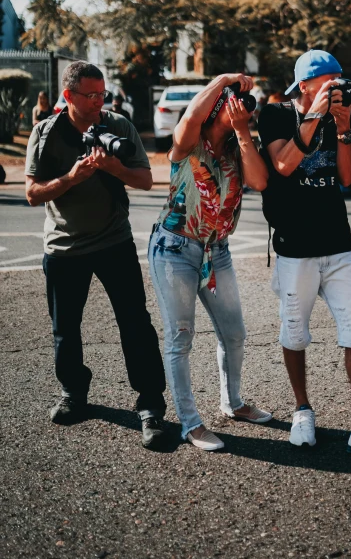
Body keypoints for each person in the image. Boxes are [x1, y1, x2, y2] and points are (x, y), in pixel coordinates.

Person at [257, 49, 351, 465]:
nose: (338, 88)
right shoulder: (274, 115)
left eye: (341, 80)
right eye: (330, 81)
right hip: (293, 249)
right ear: (305, 85)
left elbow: (345, 178)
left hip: (338, 246)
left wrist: (342, 130)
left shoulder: (337, 118)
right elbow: (284, 165)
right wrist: (314, 117)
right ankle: (302, 409)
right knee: (295, 332)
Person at [25, 61, 167, 450]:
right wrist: (72, 178)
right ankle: (74, 391)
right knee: (65, 329)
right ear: (68, 96)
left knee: (136, 324)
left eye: (102, 94)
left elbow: (145, 179)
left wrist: (114, 167)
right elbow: (33, 194)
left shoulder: (118, 126)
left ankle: (151, 404)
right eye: (91, 96)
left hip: (114, 242)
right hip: (64, 248)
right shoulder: (45, 133)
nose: (98, 102)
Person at [148, 73, 272, 452]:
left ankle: (232, 403)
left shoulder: (238, 148)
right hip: (176, 249)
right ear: (215, 108)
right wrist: (222, 80)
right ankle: (190, 422)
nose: (242, 109)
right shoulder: (189, 144)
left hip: (216, 251)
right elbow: (189, 119)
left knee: (234, 333)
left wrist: (243, 130)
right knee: (180, 338)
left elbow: (260, 181)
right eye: (232, 104)